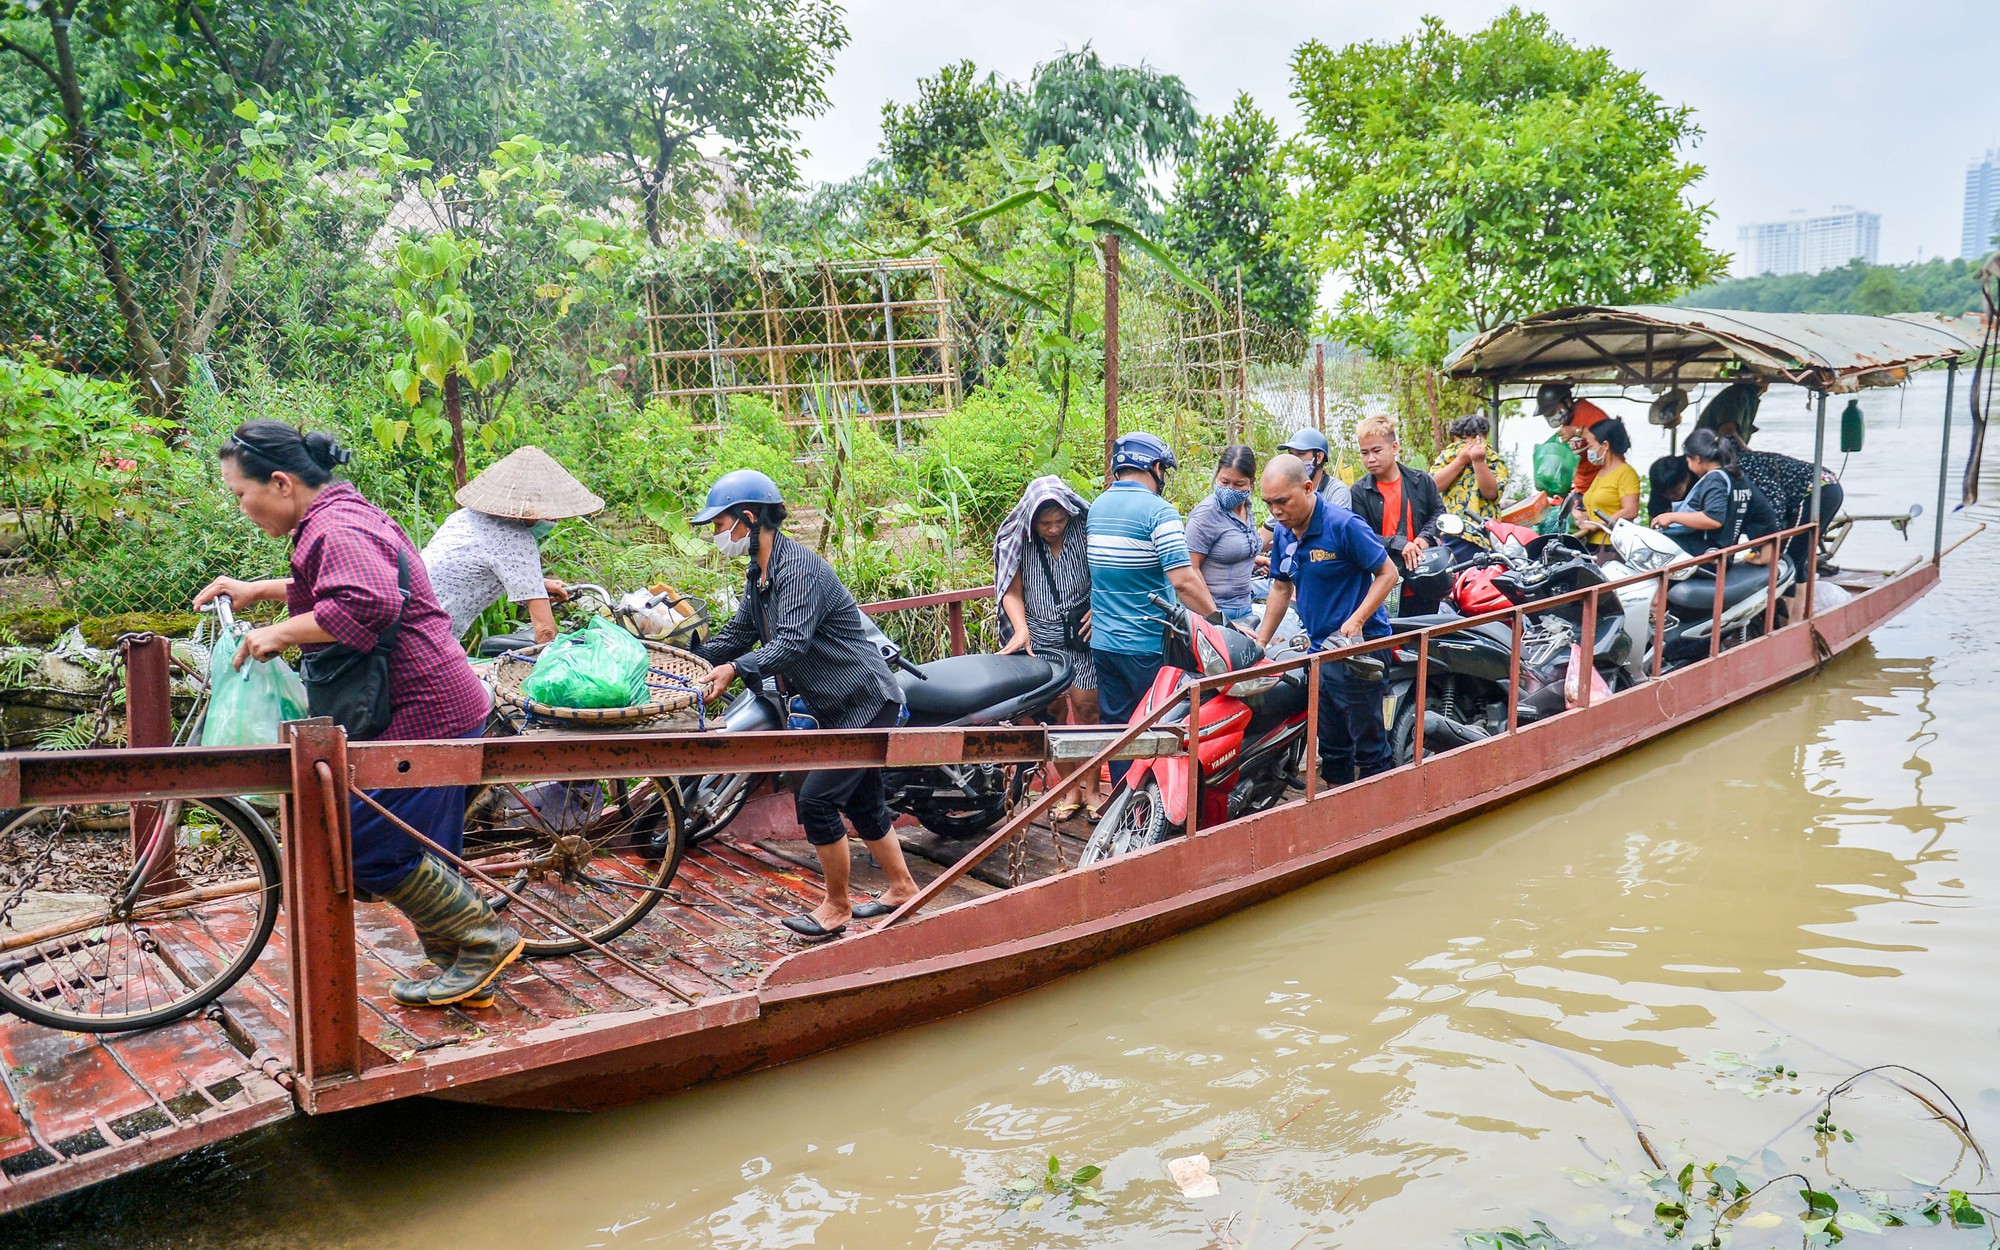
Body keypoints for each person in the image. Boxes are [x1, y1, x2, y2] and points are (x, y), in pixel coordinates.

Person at [194, 421, 516, 1010]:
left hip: (425, 713)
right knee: (411, 847)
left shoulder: (335, 526)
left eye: (241, 494)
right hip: (419, 706)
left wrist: (280, 634)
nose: (242, 507)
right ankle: (466, 973)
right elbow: (338, 583)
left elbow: (365, 601)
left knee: (366, 846)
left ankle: (483, 942)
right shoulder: (335, 517)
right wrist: (257, 592)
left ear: (282, 483)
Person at [690, 469, 922, 942]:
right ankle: (901, 887)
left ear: (749, 519)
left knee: (816, 800)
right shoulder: (761, 572)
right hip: (835, 703)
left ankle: (836, 906)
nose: (717, 536)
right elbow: (741, 633)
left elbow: (792, 643)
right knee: (863, 802)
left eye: (720, 525)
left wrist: (734, 670)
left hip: (865, 698)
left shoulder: (798, 568)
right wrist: (691, 659)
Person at [1254, 454, 1400, 786]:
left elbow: (1387, 573)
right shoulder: (1285, 533)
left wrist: (1358, 619)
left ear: (1308, 488)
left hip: (1359, 651)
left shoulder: (1343, 524)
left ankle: (1383, 818)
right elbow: (1280, 585)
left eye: (1282, 501)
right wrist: (1260, 642)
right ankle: (1340, 815)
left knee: (1370, 748)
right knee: (1332, 748)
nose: (1275, 511)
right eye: (1268, 503)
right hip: (1319, 652)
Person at [1087, 431, 1221, 784]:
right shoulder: (1159, 511)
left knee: (1118, 728)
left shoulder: (1097, 507)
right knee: (1157, 729)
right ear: (1155, 467)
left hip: (1104, 643)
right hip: (1147, 643)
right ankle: (1151, 811)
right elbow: (1183, 580)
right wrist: (1216, 621)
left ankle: (1120, 809)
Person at [994, 476, 1104, 819]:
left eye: (1059, 521)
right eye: (1045, 523)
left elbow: (1108, 573)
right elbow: (1010, 590)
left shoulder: (1086, 529)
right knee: (1051, 713)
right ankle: (1070, 786)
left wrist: (1098, 606)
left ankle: (1094, 789)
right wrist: (1021, 628)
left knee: (1088, 709)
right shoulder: (1019, 539)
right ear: (1033, 521)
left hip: (1082, 632)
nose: (1053, 528)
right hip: (1040, 637)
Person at [422, 445, 603, 645]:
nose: (553, 520)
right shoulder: (516, 539)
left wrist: (539, 585)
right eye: (549, 514)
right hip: (425, 637)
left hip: (400, 616)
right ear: (528, 511)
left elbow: (466, 569)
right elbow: (545, 632)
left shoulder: (463, 518)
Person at [1732, 432, 1845, 575]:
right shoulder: (1750, 459)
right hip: (1828, 486)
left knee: (1784, 562)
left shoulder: (1743, 467)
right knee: (1798, 557)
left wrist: (1770, 544)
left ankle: (1783, 597)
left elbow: (1775, 502)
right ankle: (1798, 597)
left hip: (1815, 492)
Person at [1650, 428, 1770, 555]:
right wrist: (1766, 554)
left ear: (1697, 459)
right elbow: (1765, 512)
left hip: (1708, 554)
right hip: (1724, 552)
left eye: (1688, 460)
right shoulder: (1737, 476)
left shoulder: (1715, 479)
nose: (1688, 465)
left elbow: (1714, 519)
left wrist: (1672, 516)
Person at [1185, 446, 1262, 625]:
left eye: (1239, 484)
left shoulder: (1246, 508)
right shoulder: (1206, 515)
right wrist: (1215, 617)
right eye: (1224, 482)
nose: (1230, 489)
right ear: (1216, 475)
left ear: (1252, 482)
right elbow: (1191, 569)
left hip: (1245, 606)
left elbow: (1229, 548)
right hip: (1213, 612)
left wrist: (1254, 559)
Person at [1258, 429, 1350, 574]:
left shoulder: (1337, 491)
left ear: (1319, 457)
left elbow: (1333, 537)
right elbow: (1265, 535)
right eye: (1292, 455)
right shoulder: (1285, 495)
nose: (1295, 460)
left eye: (1300, 455)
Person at [1430, 413, 1510, 542]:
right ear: (1455, 439)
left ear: (1485, 438)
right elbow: (1433, 485)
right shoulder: (1449, 456)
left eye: (1476, 440)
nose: (1469, 445)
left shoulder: (1493, 460)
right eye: (1463, 441)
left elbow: (1491, 493)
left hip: (1486, 534)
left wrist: (1478, 461)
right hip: (1451, 531)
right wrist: (1461, 460)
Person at [1570, 417, 1643, 548]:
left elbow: (1630, 510)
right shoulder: (1601, 472)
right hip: (1593, 544)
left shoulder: (1626, 473)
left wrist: (1597, 525)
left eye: (1591, 445)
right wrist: (1583, 516)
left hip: (1612, 546)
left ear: (1605, 446)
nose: (1589, 450)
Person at [1535, 383, 1612, 495]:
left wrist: (1577, 431)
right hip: (1582, 487)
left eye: (1552, 412)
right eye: (1546, 414)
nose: (1550, 417)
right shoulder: (1566, 421)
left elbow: (1612, 443)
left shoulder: (1591, 416)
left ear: (1567, 403)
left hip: (1604, 486)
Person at [1695, 375, 1767, 442]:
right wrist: (1748, 453)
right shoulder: (1737, 394)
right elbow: (1727, 433)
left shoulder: (1747, 397)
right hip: (1706, 453)